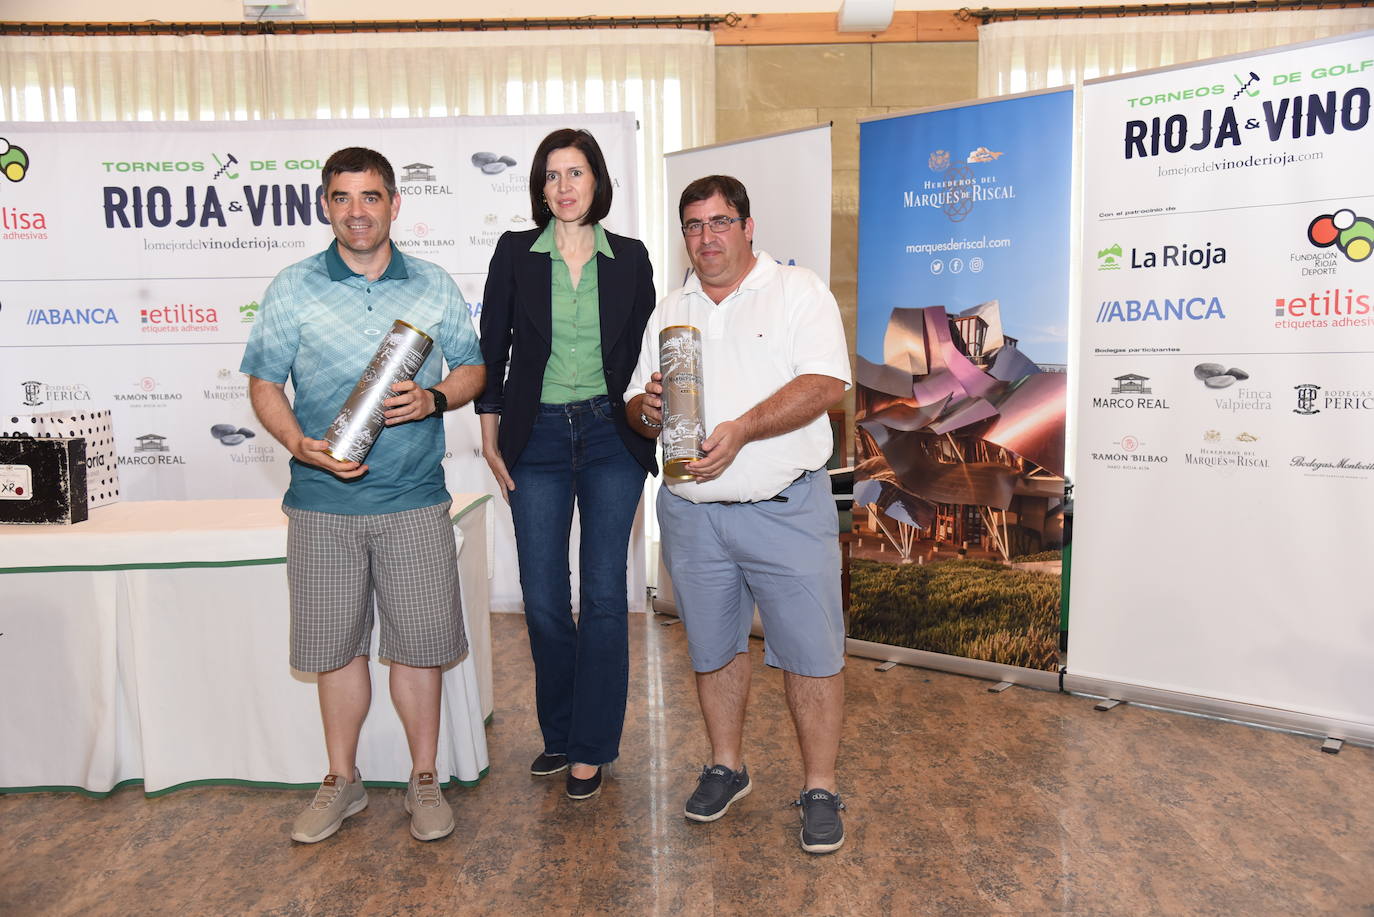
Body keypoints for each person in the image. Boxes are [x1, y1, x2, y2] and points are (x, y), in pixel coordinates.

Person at [241, 147, 485, 844]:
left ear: (393, 204)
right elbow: (264, 382)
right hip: (321, 502)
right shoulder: (292, 286)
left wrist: (434, 396)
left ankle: (424, 776)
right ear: (325, 205)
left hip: (412, 500)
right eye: (342, 198)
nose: (357, 211)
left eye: (370, 196)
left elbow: (472, 369)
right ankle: (341, 780)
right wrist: (296, 442)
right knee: (336, 648)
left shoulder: (433, 284)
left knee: (418, 647)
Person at [624, 175, 852, 853]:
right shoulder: (671, 308)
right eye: (693, 225)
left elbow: (825, 385)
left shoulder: (796, 290)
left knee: (811, 655)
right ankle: (727, 765)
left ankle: (819, 785)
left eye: (720, 222)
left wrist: (745, 427)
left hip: (786, 507)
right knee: (713, 647)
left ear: (748, 226)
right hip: (693, 515)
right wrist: (649, 411)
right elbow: (638, 403)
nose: (706, 237)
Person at [476, 128, 658, 800]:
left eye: (576, 172)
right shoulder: (515, 253)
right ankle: (560, 731)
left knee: (606, 594)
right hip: (540, 439)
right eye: (552, 175)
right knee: (546, 597)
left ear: (597, 181)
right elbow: (492, 350)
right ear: (539, 187)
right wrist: (491, 438)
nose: (564, 186)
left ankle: (591, 747)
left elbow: (646, 359)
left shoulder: (632, 259)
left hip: (612, 438)